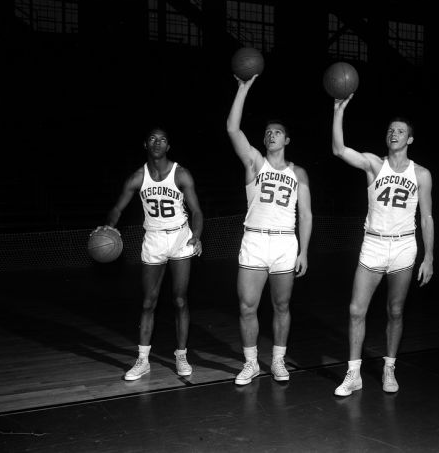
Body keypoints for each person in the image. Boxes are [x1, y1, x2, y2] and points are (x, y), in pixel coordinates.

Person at [331, 94, 434, 396]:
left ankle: (389, 367)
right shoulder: (374, 165)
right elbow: (339, 150)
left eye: (400, 131)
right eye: (390, 130)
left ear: (410, 139)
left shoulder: (422, 174)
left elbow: (426, 218)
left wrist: (429, 257)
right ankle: (353, 374)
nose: (394, 134)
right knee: (355, 310)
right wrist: (338, 111)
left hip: (404, 247)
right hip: (373, 244)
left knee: (396, 310)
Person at [90, 126, 204, 381]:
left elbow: (196, 211)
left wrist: (195, 236)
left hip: (179, 236)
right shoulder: (137, 177)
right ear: (145, 144)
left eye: (163, 139)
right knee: (148, 302)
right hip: (153, 238)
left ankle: (181, 354)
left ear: (168, 146)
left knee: (180, 300)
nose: (157, 143)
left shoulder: (181, 174)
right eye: (153, 139)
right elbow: (117, 209)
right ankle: (142, 360)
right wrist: (109, 226)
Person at [227, 73, 312, 385]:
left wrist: (304, 250)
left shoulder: (298, 172)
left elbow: (306, 214)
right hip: (255, 240)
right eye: (268, 132)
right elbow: (232, 129)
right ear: (264, 140)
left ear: (287, 140)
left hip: (284, 245)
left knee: (282, 305)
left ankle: (277, 360)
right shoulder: (255, 163)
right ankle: (251, 363)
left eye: (278, 132)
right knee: (247, 306)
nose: (272, 135)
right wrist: (243, 89)